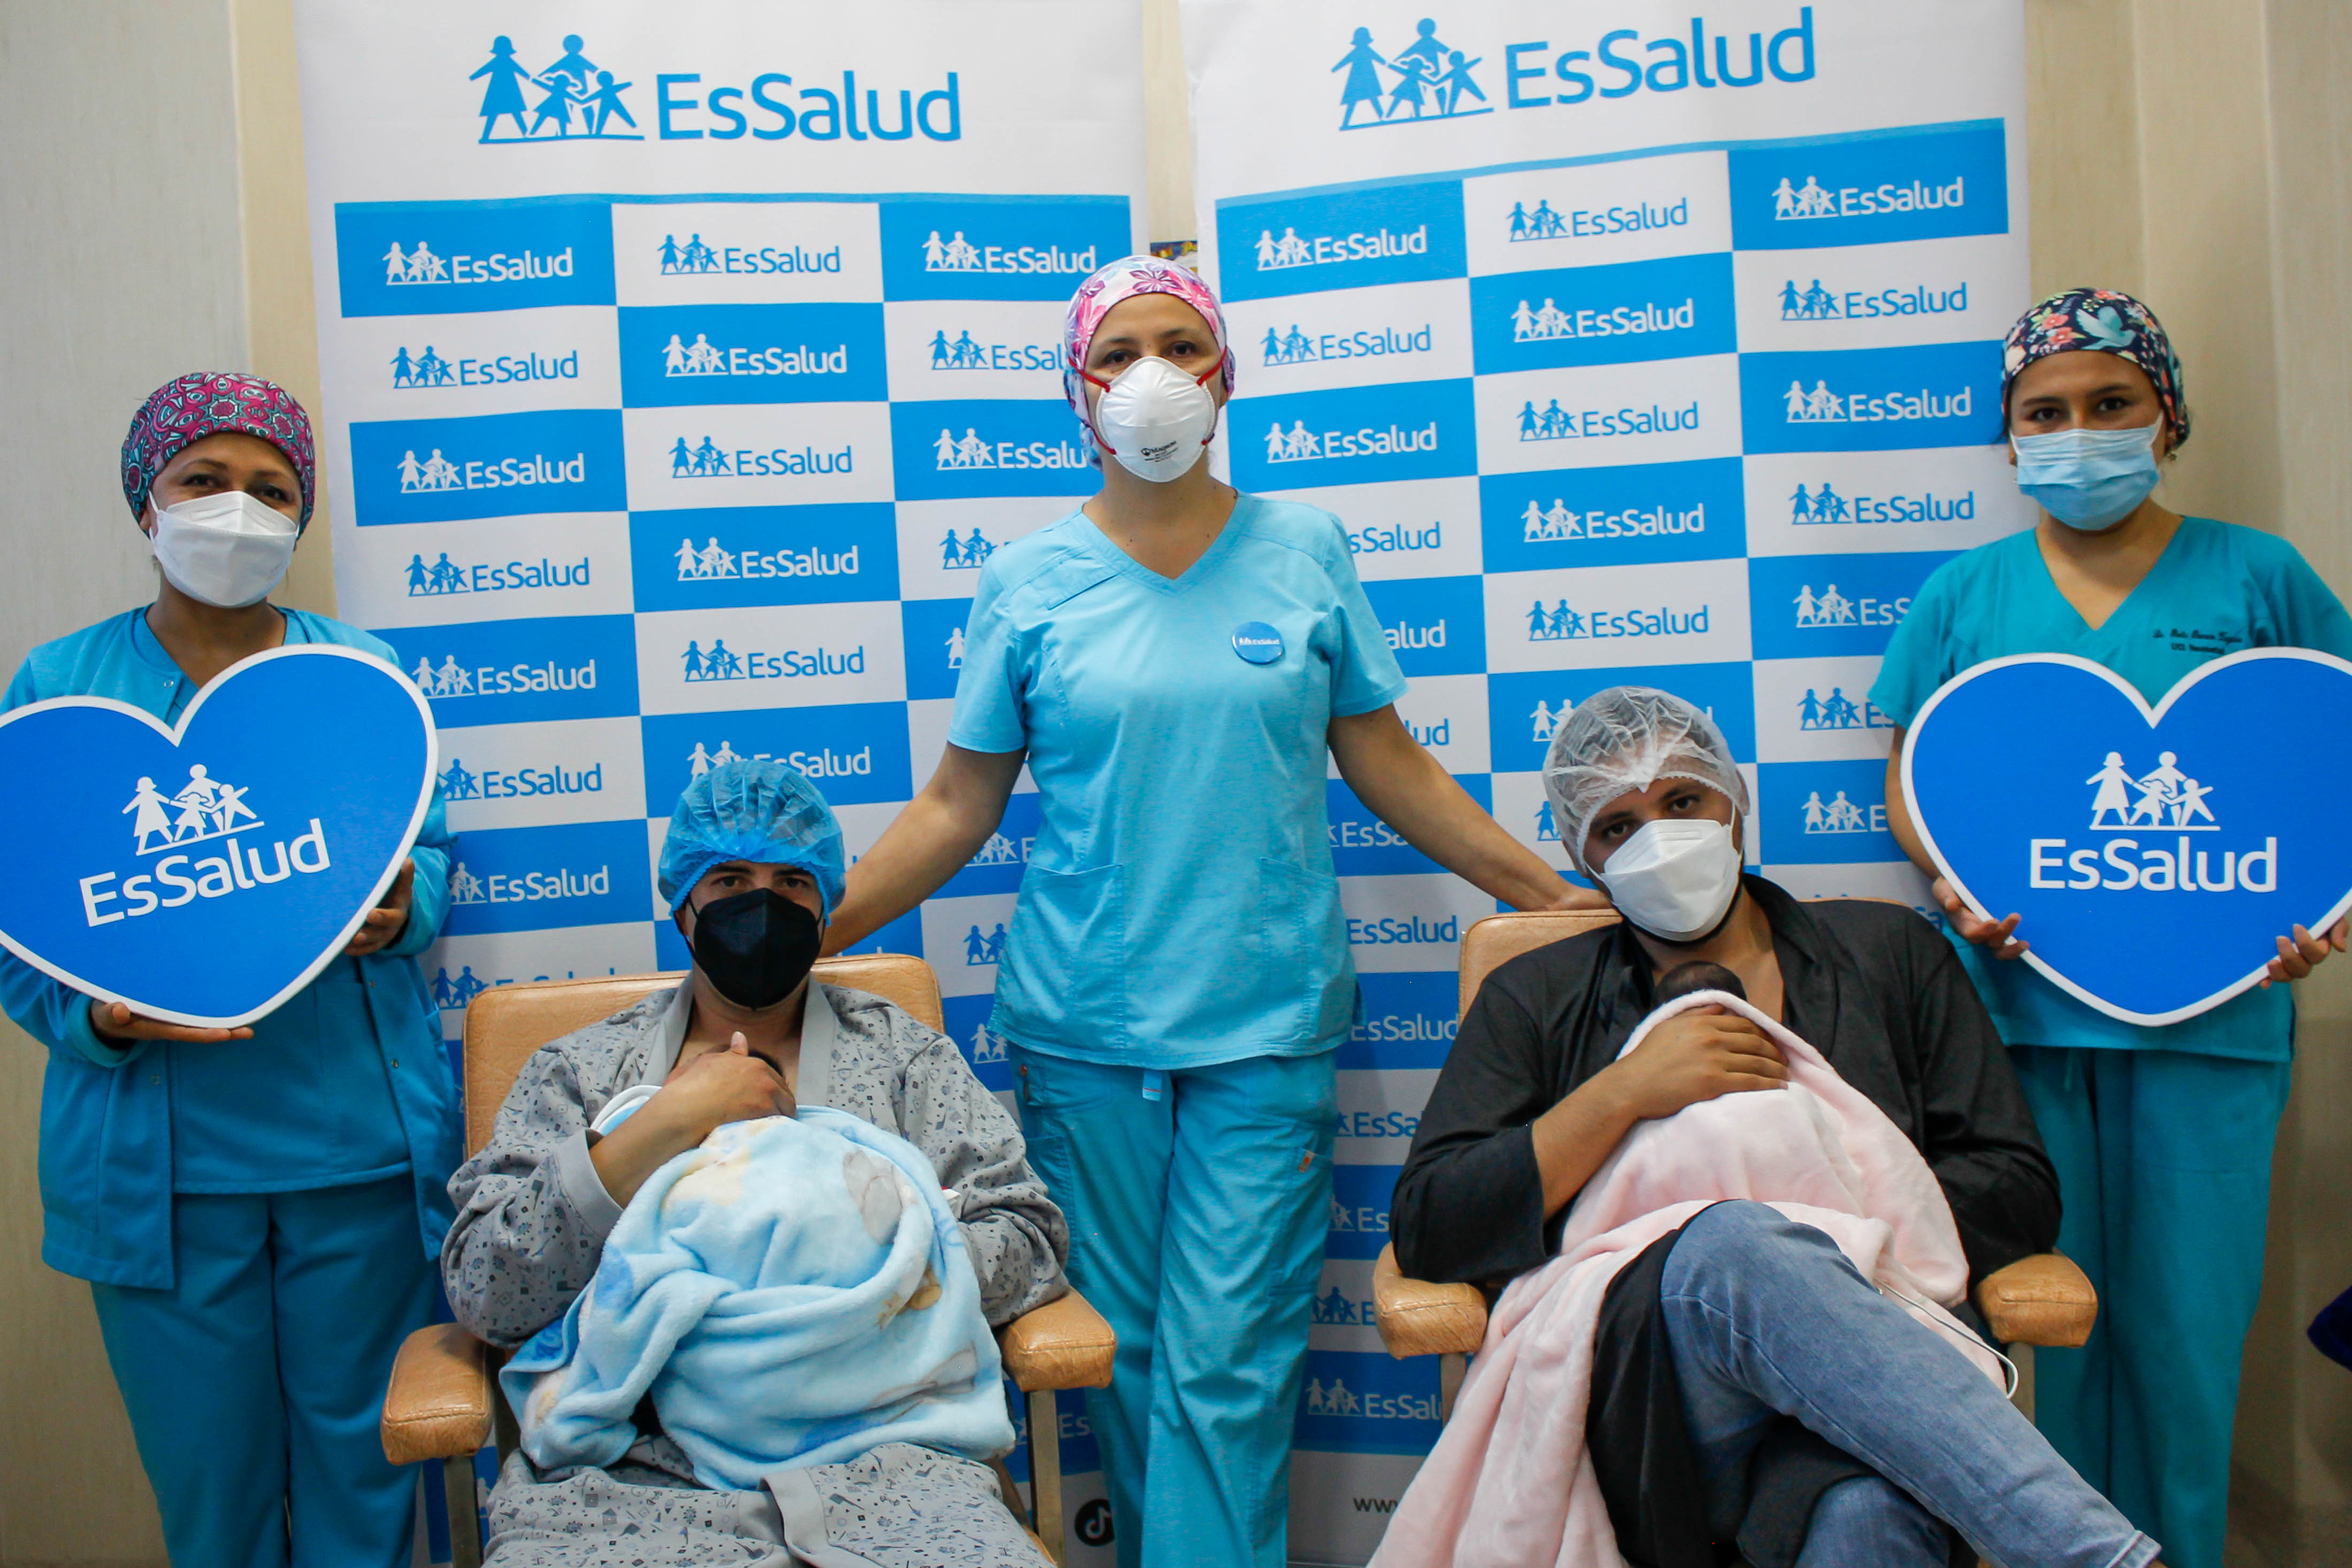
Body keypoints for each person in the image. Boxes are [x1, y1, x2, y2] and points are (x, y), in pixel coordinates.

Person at [823, 255, 1585, 1568]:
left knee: (1233, 1360)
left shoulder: (1303, 550)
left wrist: (1549, 894)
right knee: (1114, 1350)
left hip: (1266, 1021)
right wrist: (807, 932)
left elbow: (1386, 759)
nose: (1152, 375)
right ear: (1079, 387)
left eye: (1182, 343)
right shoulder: (1027, 579)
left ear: (1225, 373)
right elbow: (958, 802)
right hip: (1085, 1028)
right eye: (1119, 353)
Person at [1390, 687, 2162, 1566]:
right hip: (1654, 1398)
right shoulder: (1535, 996)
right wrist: (1623, 1095)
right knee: (1731, 1246)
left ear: (1734, 803)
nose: (1657, 839)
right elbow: (1434, 1226)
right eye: (1616, 827)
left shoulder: (1889, 955)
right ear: (1581, 854)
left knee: (1871, 1514)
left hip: (1872, 1394)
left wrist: (1820, 1232)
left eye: (1682, 802)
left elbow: (2016, 1188)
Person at [1873, 287, 2352, 1568]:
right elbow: (1914, 774)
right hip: (2018, 1021)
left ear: (2168, 415)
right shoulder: (1966, 594)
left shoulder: (2262, 576)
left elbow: (2330, 764)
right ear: (2008, 434)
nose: (2078, 431)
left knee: (2189, 1337)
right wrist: (1954, 883)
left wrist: (2321, 911)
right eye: (2046, 412)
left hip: (2217, 1023)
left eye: (2110, 404)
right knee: (2041, 1318)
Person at [0, 372, 457, 1568]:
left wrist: (407, 907)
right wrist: (91, 1008)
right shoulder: (59, 689)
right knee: (214, 1502)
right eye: (203, 480)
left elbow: (433, 856)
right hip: (161, 1180)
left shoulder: (360, 678)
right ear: (146, 503)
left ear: (303, 517)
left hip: (356, 1154)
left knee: (373, 1489)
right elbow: (21, 920)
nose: (237, 509)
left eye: (271, 488)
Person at [443, 759, 1067, 1566]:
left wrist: (861, 1257)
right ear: (683, 902)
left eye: (794, 883)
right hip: (630, 1482)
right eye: (731, 878)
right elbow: (490, 1293)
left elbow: (1030, 1236)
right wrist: (660, 1128)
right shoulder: (585, 1072)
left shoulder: (903, 1062)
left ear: (827, 902)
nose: (763, 904)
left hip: (894, 1472)